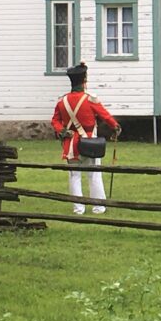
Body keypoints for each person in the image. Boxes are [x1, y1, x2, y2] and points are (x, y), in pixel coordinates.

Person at [50, 62, 119, 214]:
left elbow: (55, 121)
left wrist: (62, 131)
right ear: (84, 81)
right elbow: (105, 115)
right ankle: (98, 207)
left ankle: (78, 208)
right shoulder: (90, 99)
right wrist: (115, 127)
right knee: (94, 175)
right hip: (89, 142)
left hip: (70, 145)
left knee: (74, 176)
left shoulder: (62, 101)